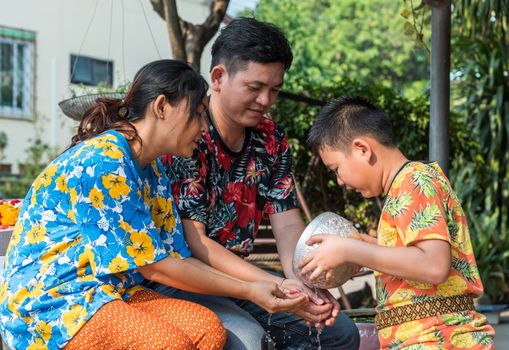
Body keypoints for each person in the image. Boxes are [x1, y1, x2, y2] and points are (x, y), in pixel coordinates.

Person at [0, 59, 308, 350]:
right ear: (161, 107)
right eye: (198, 113)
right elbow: (155, 266)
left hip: (112, 294)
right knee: (169, 343)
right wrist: (248, 290)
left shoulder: (154, 169)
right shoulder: (104, 161)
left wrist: (263, 286)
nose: (203, 128)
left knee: (207, 330)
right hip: (53, 303)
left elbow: (177, 258)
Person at [153, 18, 360, 349]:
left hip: (243, 277)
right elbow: (196, 243)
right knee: (249, 340)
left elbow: (288, 222)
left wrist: (302, 283)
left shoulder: (272, 138)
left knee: (339, 332)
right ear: (218, 78)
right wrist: (275, 284)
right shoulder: (188, 134)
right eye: (254, 87)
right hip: (182, 280)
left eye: (274, 90)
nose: (266, 100)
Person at [300, 96, 496, 349]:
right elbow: (411, 257)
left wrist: (349, 249)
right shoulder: (401, 190)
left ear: (362, 149)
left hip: (439, 339)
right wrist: (364, 249)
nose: (339, 181)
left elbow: (434, 265)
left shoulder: (414, 181)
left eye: (335, 168)